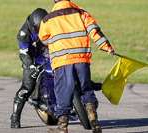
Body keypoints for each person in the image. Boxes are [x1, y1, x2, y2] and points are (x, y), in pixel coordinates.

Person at [38, 0, 115, 133]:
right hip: (81, 59)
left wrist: (56, 42)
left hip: (62, 61)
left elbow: (43, 38)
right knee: (86, 88)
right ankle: (92, 117)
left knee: (63, 91)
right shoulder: (81, 12)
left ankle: (62, 126)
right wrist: (107, 47)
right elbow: (94, 31)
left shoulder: (47, 19)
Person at [10, 8, 48, 128]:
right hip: (32, 59)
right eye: (38, 30)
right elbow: (23, 53)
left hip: (48, 55)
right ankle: (15, 118)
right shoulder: (24, 33)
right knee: (27, 88)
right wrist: (31, 66)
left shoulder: (51, 24)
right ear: (33, 26)